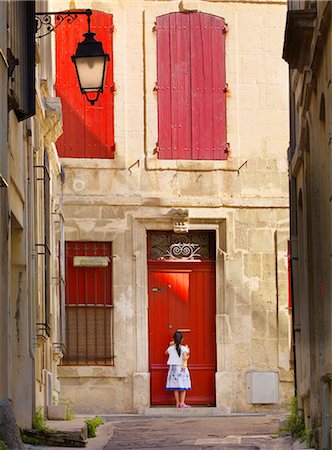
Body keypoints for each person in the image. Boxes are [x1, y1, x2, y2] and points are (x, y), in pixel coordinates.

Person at [165, 331, 191, 408]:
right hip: (181, 368)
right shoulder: (184, 349)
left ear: (173, 339)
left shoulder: (170, 348)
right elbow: (185, 358)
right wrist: (188, 353)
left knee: (175, 386)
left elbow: (166, 353)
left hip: (173, 368)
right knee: (183, 385)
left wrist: (171, 345)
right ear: (182, 339)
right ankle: (182, 403)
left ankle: (177, 403)